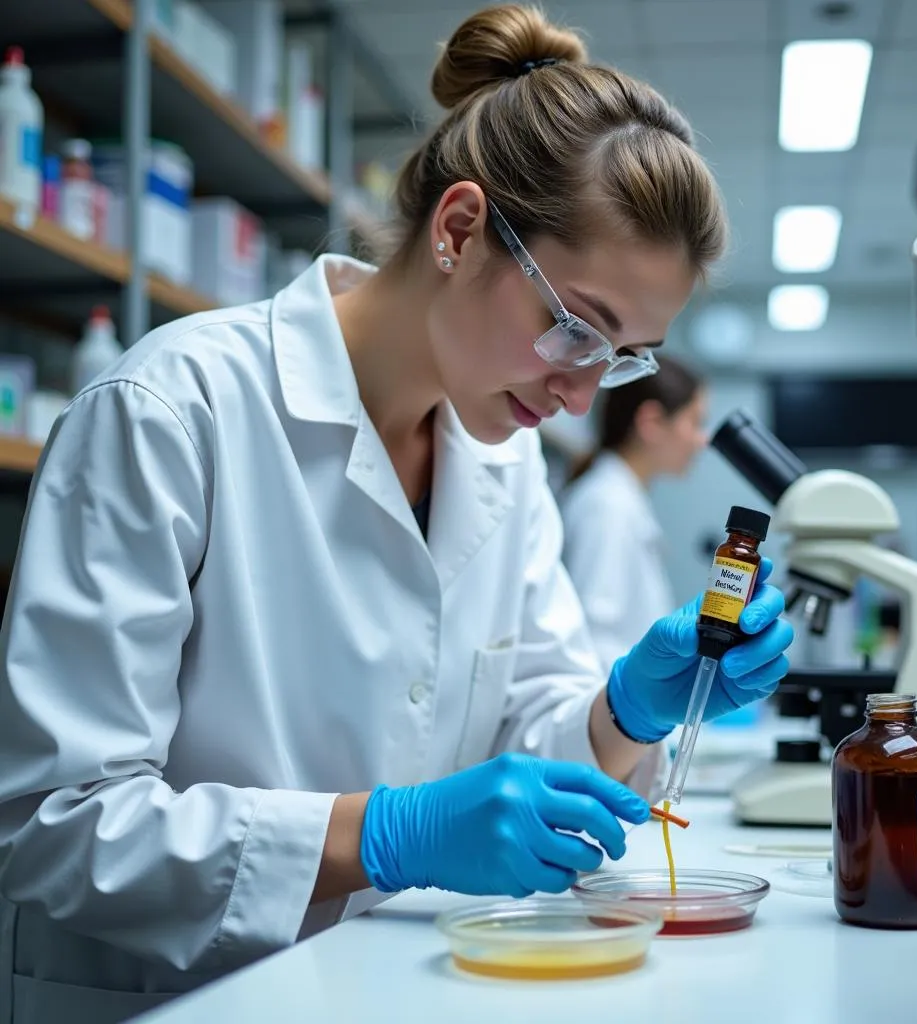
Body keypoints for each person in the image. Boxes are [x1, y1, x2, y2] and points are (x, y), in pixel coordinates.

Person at [0, 6, 793, 1022]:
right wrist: (381, 833)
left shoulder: (505, 469)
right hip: (169, 999)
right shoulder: (171, 412)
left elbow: (522, 764)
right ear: (459, 230)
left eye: (622, 355)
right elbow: (55, 823)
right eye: (574, 331)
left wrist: (623, 711)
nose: (584, 395)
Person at [560, 357, 707, 673]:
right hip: (611, 703)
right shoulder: (605, 506)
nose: (702, 440)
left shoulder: (622, 499)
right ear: (651, 422)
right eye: (695, 423)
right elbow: (594, 638)